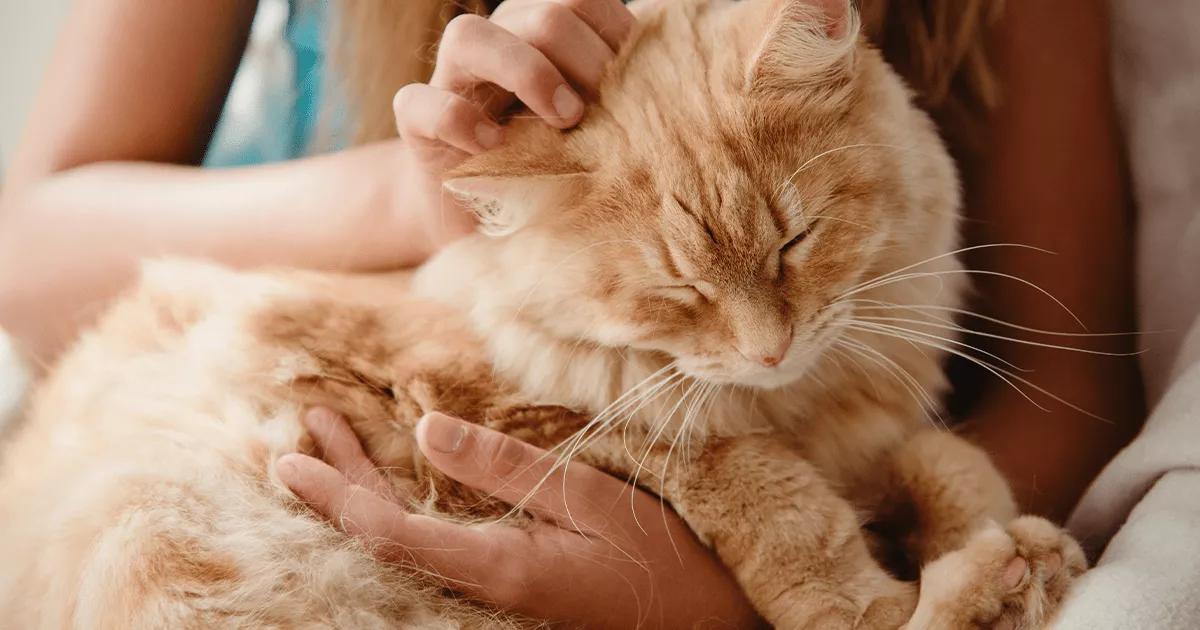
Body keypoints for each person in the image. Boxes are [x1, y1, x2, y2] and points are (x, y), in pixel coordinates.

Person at [0, 1, 1144, 627]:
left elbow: (1075, 374)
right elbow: (28, 252)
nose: (763, 343)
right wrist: (423, 194)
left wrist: (719, 595)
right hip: (278, 362)